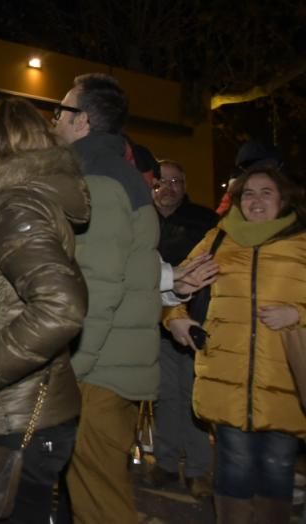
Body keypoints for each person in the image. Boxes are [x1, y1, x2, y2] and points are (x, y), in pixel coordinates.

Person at [0, 96, 89, 523]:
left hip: (18, 414)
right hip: (32, 408)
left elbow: (62, 306)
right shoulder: (26, 197)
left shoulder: (16, 205)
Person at [164, 164, 306, 523]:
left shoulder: (302, 242)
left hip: (286, 379)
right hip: (225, 376)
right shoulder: (218, 238)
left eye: (266, 192)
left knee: (277, 467)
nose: (256, 200)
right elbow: (177, 284)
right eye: (248, 194)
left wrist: (298, 314)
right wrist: (175, 316)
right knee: (233, 466)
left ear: (283, 199)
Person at [50, 74, 160, 524]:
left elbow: (96, 284)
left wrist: (74, 366)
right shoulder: (111, 172)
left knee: (100, 501)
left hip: (98, 371)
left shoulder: (97, 180)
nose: (54, 118)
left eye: (61, 110)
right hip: (109, 366)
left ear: (84, 121)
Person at [148, 158, 218, 496]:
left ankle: (198, 469)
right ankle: (164, 462)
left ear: (185, 186)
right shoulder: (140, 220)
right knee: (165, 395)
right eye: (161, 181)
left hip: (195, 320)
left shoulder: (204, 220)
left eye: (176, 181)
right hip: (152, 322)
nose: (168, 188)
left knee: (194, 397)